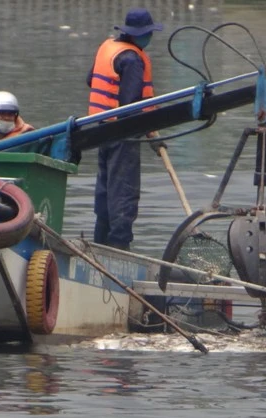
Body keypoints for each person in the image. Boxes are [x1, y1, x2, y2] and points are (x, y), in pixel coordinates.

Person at [86, 7, 167, 251]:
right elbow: (131, 103)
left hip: (103, 130)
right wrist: (149, 129)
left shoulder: (108, 48)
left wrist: (152, 132)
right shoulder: (132, 59)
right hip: (123, 135)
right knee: (123, 195)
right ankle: (119, 251)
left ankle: (100, 247)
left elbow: (92, 79)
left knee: (106, 194)